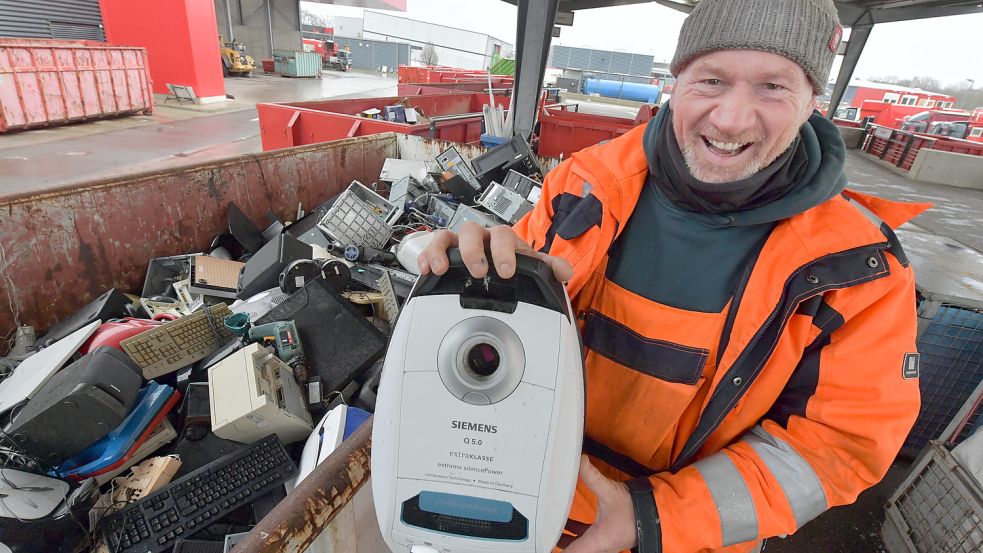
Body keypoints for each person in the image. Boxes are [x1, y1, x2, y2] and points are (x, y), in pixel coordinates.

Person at [419, 0, 927, 551]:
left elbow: (838, 446)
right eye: (711, 80)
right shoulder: (582, 185)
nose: (732, 118)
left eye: (773, 88)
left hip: (683, 537)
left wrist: (650, 519)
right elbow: (505, 348)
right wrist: (465, 286)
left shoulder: (859, 273)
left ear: (813, 103)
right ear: (674, 80)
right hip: (519, 499)